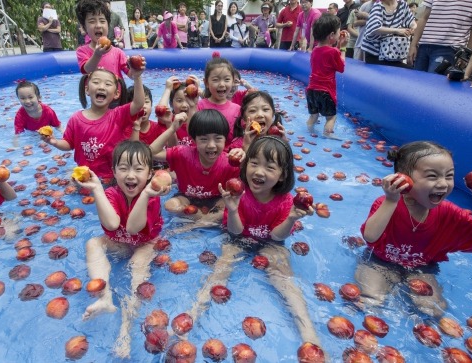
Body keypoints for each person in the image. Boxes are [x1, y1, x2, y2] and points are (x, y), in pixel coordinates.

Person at [187, 136, 322, 351]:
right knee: (220, 270)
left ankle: (309, 333)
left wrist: (292, 218)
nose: (259, 172)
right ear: (245, 165)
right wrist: (232, 209)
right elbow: (235, 231)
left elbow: (277, 237)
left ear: (282, 175)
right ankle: (194, 312)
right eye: (254, 163)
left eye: (269, 167)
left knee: (284, 279)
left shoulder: (286, 201)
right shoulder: (239, 194)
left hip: (271, 244)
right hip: (238, 239)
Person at [355, 141, 472, 317]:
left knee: (432, 310)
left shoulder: (449, 213)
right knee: (371, 301)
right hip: (379, 263)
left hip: (422, 268)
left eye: (449, 176)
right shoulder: (387, 204)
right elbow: (371, 237)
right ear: (404, 179)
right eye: (433, 176)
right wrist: (391, 200)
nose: (443, 184)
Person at [74, 141, 170, 359]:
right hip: (120, 241)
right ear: (114, 171)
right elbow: (111, 225)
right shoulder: (111, 194)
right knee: (93, 243)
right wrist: (97, 189)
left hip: (146, 244)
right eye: (124, 168)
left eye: (138, 169)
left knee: (137, 266)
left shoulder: (152, 197)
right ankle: (105, 298)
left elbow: (133, 228)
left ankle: (125, 330)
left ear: (149, 174)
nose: (131, 175)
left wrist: (145, 195)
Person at [41, 65, 146, 182]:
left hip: (111, 177)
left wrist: (137, 77)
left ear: (116, 94)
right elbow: (69, 144)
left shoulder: (118, 115)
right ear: (87, 89)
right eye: (96, 82)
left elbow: (138, 103)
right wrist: (54, 142)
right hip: (85, 175)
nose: (101, 87)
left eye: (107, 84)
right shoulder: (76, 119)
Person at [149, 110, 244, 223]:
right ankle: (204, 220)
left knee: (227, 206)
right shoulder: (183, 154)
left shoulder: (230, 162)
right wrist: (172, 128)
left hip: (217, 200)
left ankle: (198, 222)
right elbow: (152, 152)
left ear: (225, 140)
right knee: (170, 206)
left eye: (218, 138)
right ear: (194, 140)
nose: (211, 145)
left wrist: (244, 156)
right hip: (186, 198)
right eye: (204, 139)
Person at [408, 0, 472, 73]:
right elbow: (424, 17)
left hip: (450, 47)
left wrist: (466, 54)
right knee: (416, 82)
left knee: (433, 84)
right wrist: (413, 44)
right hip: (424, 45)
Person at [306, 14, 348, 138]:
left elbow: (328, 56)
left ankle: (309, 132)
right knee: (331, 117)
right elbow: (341, 68)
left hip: (311, 90)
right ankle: (327, 135)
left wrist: (338, 45)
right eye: (338, 32)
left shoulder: (314, 50)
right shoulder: (334, 51)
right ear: (331, 35)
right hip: (326, 92)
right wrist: (344, 48)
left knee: (314, 115)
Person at [75, 0, 129, 79]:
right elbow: (87, 70)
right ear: (84, 27)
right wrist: (97, 54)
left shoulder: (118, 53)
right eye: (92, 21)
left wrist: (136, 70)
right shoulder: (82, 51)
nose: (98, 25)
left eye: (102, 21)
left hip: (116, 91)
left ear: (108, 25)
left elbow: (131, 74)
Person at [197, 54, 241, 146]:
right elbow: (193, 134)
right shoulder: (199, 106)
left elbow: (240, 137)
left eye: (227, 79)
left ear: (233, 81)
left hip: (229, 156)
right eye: (216, 80)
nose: (221, 84)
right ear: (206, 83)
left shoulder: (238, 110)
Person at [360, 0, 416, 67]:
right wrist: (396, 30)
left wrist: (413, 27)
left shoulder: (402, 5)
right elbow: (374, 28)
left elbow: (412, 21)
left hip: (394, 52)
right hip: (375, 54)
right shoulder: (378, 6)